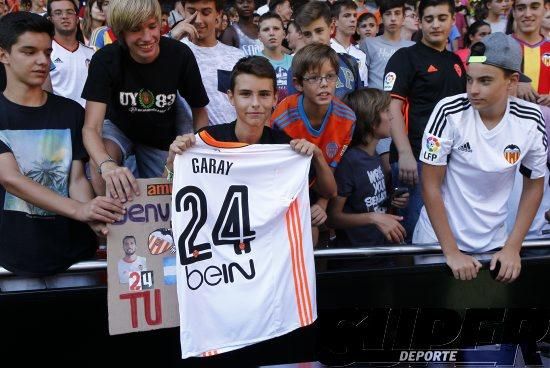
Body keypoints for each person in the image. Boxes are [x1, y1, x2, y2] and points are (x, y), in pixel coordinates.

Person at [413, 32, 547, 283]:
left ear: (512, 81)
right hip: (437, 242)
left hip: (494, 244)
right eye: (470, 80)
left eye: (485, 81)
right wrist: (451, 251)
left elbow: (534, 186)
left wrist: (512, 247)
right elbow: (430, 184)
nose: (473, 90)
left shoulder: (531, 119)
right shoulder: (448, 111)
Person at [0, 12, 124, 276]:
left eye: (47, 52)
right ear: (3, 55)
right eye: (29, 52)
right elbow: (10, 178)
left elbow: (76, 179)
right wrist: (80, 209)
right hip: (14, 256)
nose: (42, 61)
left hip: (74, 256)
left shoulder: (70, 111)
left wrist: (94, 216)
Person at [165, 55, 336, 210]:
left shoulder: (286, 147)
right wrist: (172, 162)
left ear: (275, 98)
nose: (255, 103)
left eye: (264, 94)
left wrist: (318, 155)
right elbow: (168, 190)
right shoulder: (206, 140)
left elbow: (329, 192)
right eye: (246, 94)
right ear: (231, 97)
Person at [81, 0, 209, 202]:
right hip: (119, 128)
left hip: (162, 135)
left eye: (152, 26)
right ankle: (107, 229)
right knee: (99, 166)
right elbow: (91, 128)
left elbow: (200, 111)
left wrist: (197, 148)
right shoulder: (105, 59)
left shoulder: (179, 54)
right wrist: (107, 165)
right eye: (136, 30)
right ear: (120, 32)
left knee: (171, 190)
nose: (147, 37)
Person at [383, 0, 466, 241]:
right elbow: (392, 108)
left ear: (452, 21)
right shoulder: (405, 57)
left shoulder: (455, 62)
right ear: (420, 22)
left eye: (442, 18)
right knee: (412, 235)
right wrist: (405, 153)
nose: (436, 24)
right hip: (415, 160)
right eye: (429, 19)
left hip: (451, 160)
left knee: (445, 232)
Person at [271, 44, 356, 245]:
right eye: (314, 78)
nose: (324, 84)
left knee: (317, 226)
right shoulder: (282, 118)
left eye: (330, 76)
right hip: (286, 187)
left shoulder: (348, 119)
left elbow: (331, 180)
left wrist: (322, 203)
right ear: (298, 84)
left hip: (323, 184)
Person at [328, 88, 409, 247]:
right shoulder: (350, 162)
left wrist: (391, 201)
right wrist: (374, 218)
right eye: (386, 111)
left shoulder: (374, 155)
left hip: (379, 250)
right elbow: (332, 217)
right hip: (356, 260)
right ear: (372, 121)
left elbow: (365, 202)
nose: (392, 116)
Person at [179, 0, 245, 126]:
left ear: (218, 14)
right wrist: (172, 38)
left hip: (232, 142)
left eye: (206, 12)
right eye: (192, 12)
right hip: (190, 143)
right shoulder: (174, 51)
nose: (198, 20)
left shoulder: (237, 56)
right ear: (183, 11)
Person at [289, 1, 362, 99]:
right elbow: (295, 108)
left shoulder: (350, 62)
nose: (314, 39)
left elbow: (360, 105)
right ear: (301, 35)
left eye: (319, 31)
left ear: (331, 27)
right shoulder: (296, 68)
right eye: (307, 34)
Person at [48, 0, 94, 107]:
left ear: (77, 19)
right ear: (50, 19)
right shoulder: (45, 53)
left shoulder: (91, 53)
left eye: (69, 12)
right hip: (58, 118)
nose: (64, 16)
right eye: (58, 13)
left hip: (88, 119)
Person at [361, 0, 414, 90]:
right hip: (375, 101)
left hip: (403, 101)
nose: (393, 18)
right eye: (388, 14)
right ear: (381, 18)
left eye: (397, 13)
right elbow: (362, 78)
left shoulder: (412, 47)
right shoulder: (368, 43)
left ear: (403, 17)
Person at [510, 0, 549, 106]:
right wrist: (514, 83)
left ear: (545, 10)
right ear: (513, 12)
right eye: (521, 8)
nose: (527, 14)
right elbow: (473, 63)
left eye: (534, 7)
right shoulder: (499, 45)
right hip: (510, 119)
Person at [330, 0, 369, 87]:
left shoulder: (361, 54)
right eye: (347, 16)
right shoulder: (326, 48)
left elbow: (363, 87)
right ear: (334, 21)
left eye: (355, 16)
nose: (353, 19)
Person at [257, 12, 292, 102]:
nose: (271, 33)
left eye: (276, 28)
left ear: (284, 34)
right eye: (266, 29)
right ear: (259, 36)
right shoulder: (253, 63)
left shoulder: (295, 62)